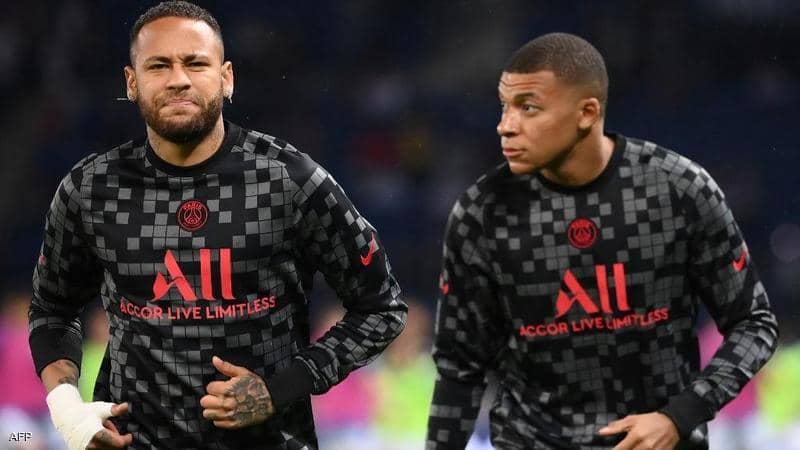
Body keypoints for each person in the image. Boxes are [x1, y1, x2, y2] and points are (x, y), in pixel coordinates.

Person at [28, 2, 406, 449]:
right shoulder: (91, 189)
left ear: (226, 78)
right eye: (158, 65)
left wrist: (278, 390)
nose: (178, 79)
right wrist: (68, 412)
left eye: (195, 63)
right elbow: (52, 310)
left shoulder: (290, 181)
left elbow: (382, 309)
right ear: (131, 82)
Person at [426, 32, 778, 450]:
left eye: (528, 107)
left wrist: (679, 416)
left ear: (587, 113)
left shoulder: (678, 190)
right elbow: (459, 371)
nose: (506, 125)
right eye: (505, 106)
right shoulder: (482, 213)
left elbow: (754, 323)